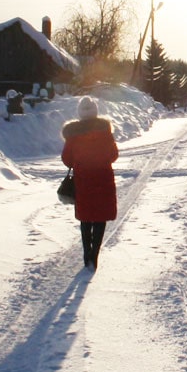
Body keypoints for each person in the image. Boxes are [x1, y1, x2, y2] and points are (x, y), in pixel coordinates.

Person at [61, 95, 119, 269]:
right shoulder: (105, 131)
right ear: (95, 112)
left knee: (86, 218)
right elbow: (113, 155)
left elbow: (66, 159)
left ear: (80, 113)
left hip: (83, 181)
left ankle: (87, 252)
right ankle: (95, 253)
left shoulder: (73, 134)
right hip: (103, 178)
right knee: (100, 217)